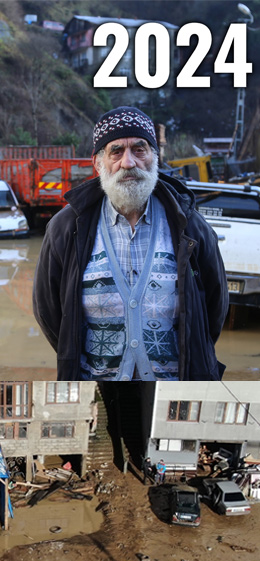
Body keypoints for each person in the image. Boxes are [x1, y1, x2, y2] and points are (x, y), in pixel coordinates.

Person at [32, 106, 228, 380]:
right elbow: (48, 311)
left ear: (155, 157)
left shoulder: (190, 225)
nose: (128, 162)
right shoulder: (66, 228)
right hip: (97, 386)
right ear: (98, 163)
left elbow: (214, 309)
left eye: (139, 149)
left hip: (174, 391)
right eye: (116, 151)